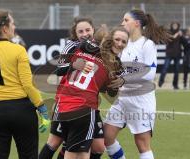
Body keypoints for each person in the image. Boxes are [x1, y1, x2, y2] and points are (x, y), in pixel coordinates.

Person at [39, 17, 128, 159]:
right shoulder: (76, 46)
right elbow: (60, 70)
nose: (85, 34)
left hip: (81, 104)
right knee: (58, 143)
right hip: (75, 104)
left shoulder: (101, 55)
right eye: (80, 31)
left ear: (93, 31)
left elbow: (107, 90)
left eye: (87, 30)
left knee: (98, 146)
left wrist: (117, 83)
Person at [104, 9, 171, 159]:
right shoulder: (124, 44)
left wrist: (124, 79)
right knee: (106, 136)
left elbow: (150, 73)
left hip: (141, 101)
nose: (122, 23)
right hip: (122, 99)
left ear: (137, 23)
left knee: (142, 145)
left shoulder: (147, 44)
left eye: (126, 20)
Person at [0, 9, 50, 159]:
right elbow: (27, 84)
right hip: (22, 111)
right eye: (13, 23)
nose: (15, 27)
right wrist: (41, 107)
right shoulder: (18, 50)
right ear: (5, 28)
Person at [158, 22, 183, 89]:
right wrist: (176, 35)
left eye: (176, 25)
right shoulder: (169, 33)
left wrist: (182, 36)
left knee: (177, 70)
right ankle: (161, 81)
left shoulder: (180, 34)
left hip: (177, 54)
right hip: (169, 54)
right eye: (174, 25)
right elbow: (170, 39)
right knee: (165, 68)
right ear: (171, 26)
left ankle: (175, 85)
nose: (175, 26)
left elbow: (184, 42)